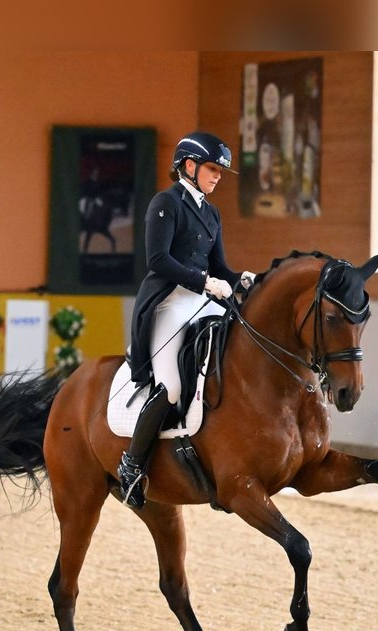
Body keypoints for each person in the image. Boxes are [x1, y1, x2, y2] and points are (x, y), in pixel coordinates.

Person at [116, 130, 257, 509]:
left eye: (220, 171)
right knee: (172, 387)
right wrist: (205, 282)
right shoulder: (166, 203)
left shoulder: (212, 212)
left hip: (206, 300)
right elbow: (158, 260)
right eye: (213, 169)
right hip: (170, 303)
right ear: (190, 166)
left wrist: (241, 279)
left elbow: (220, 267)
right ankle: (131, 464)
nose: (218, 177)